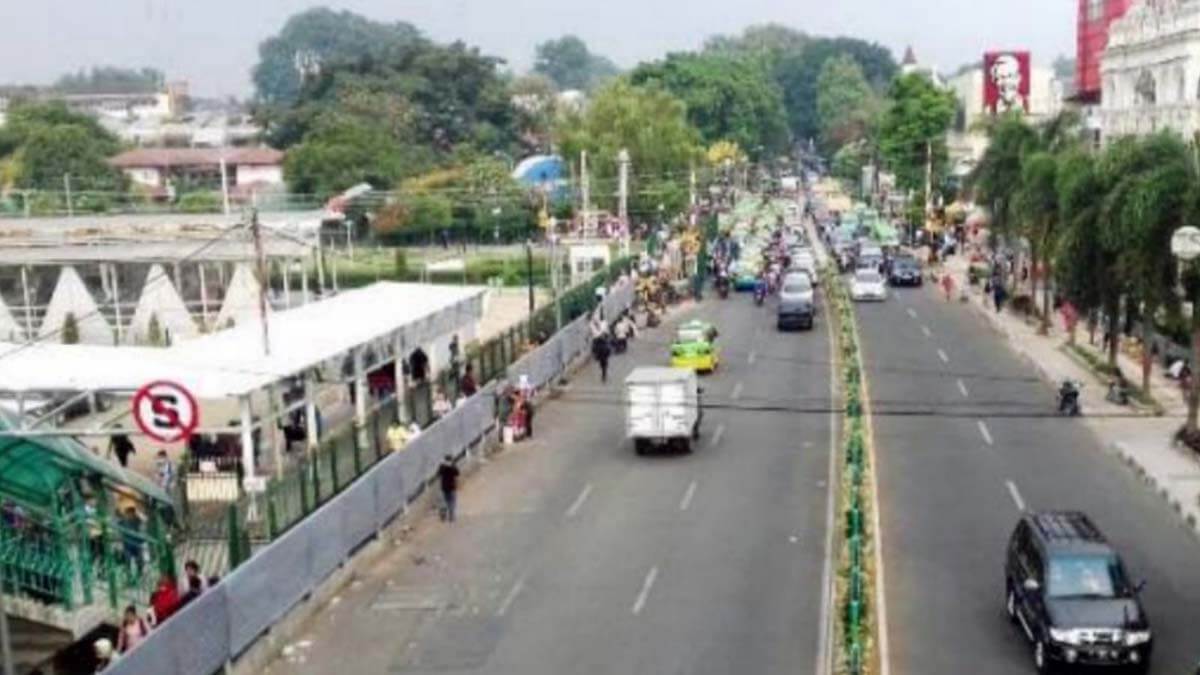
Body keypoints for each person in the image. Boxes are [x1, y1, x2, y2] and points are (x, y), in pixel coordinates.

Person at [437, 455, 460, 522]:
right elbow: (457, 474)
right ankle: (451, 516)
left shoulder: (442, 467)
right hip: (452, 487)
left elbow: (438, 474)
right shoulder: (453, 466)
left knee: (445, 502)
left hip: (444, 487)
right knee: (452, 502)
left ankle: (444, 514)